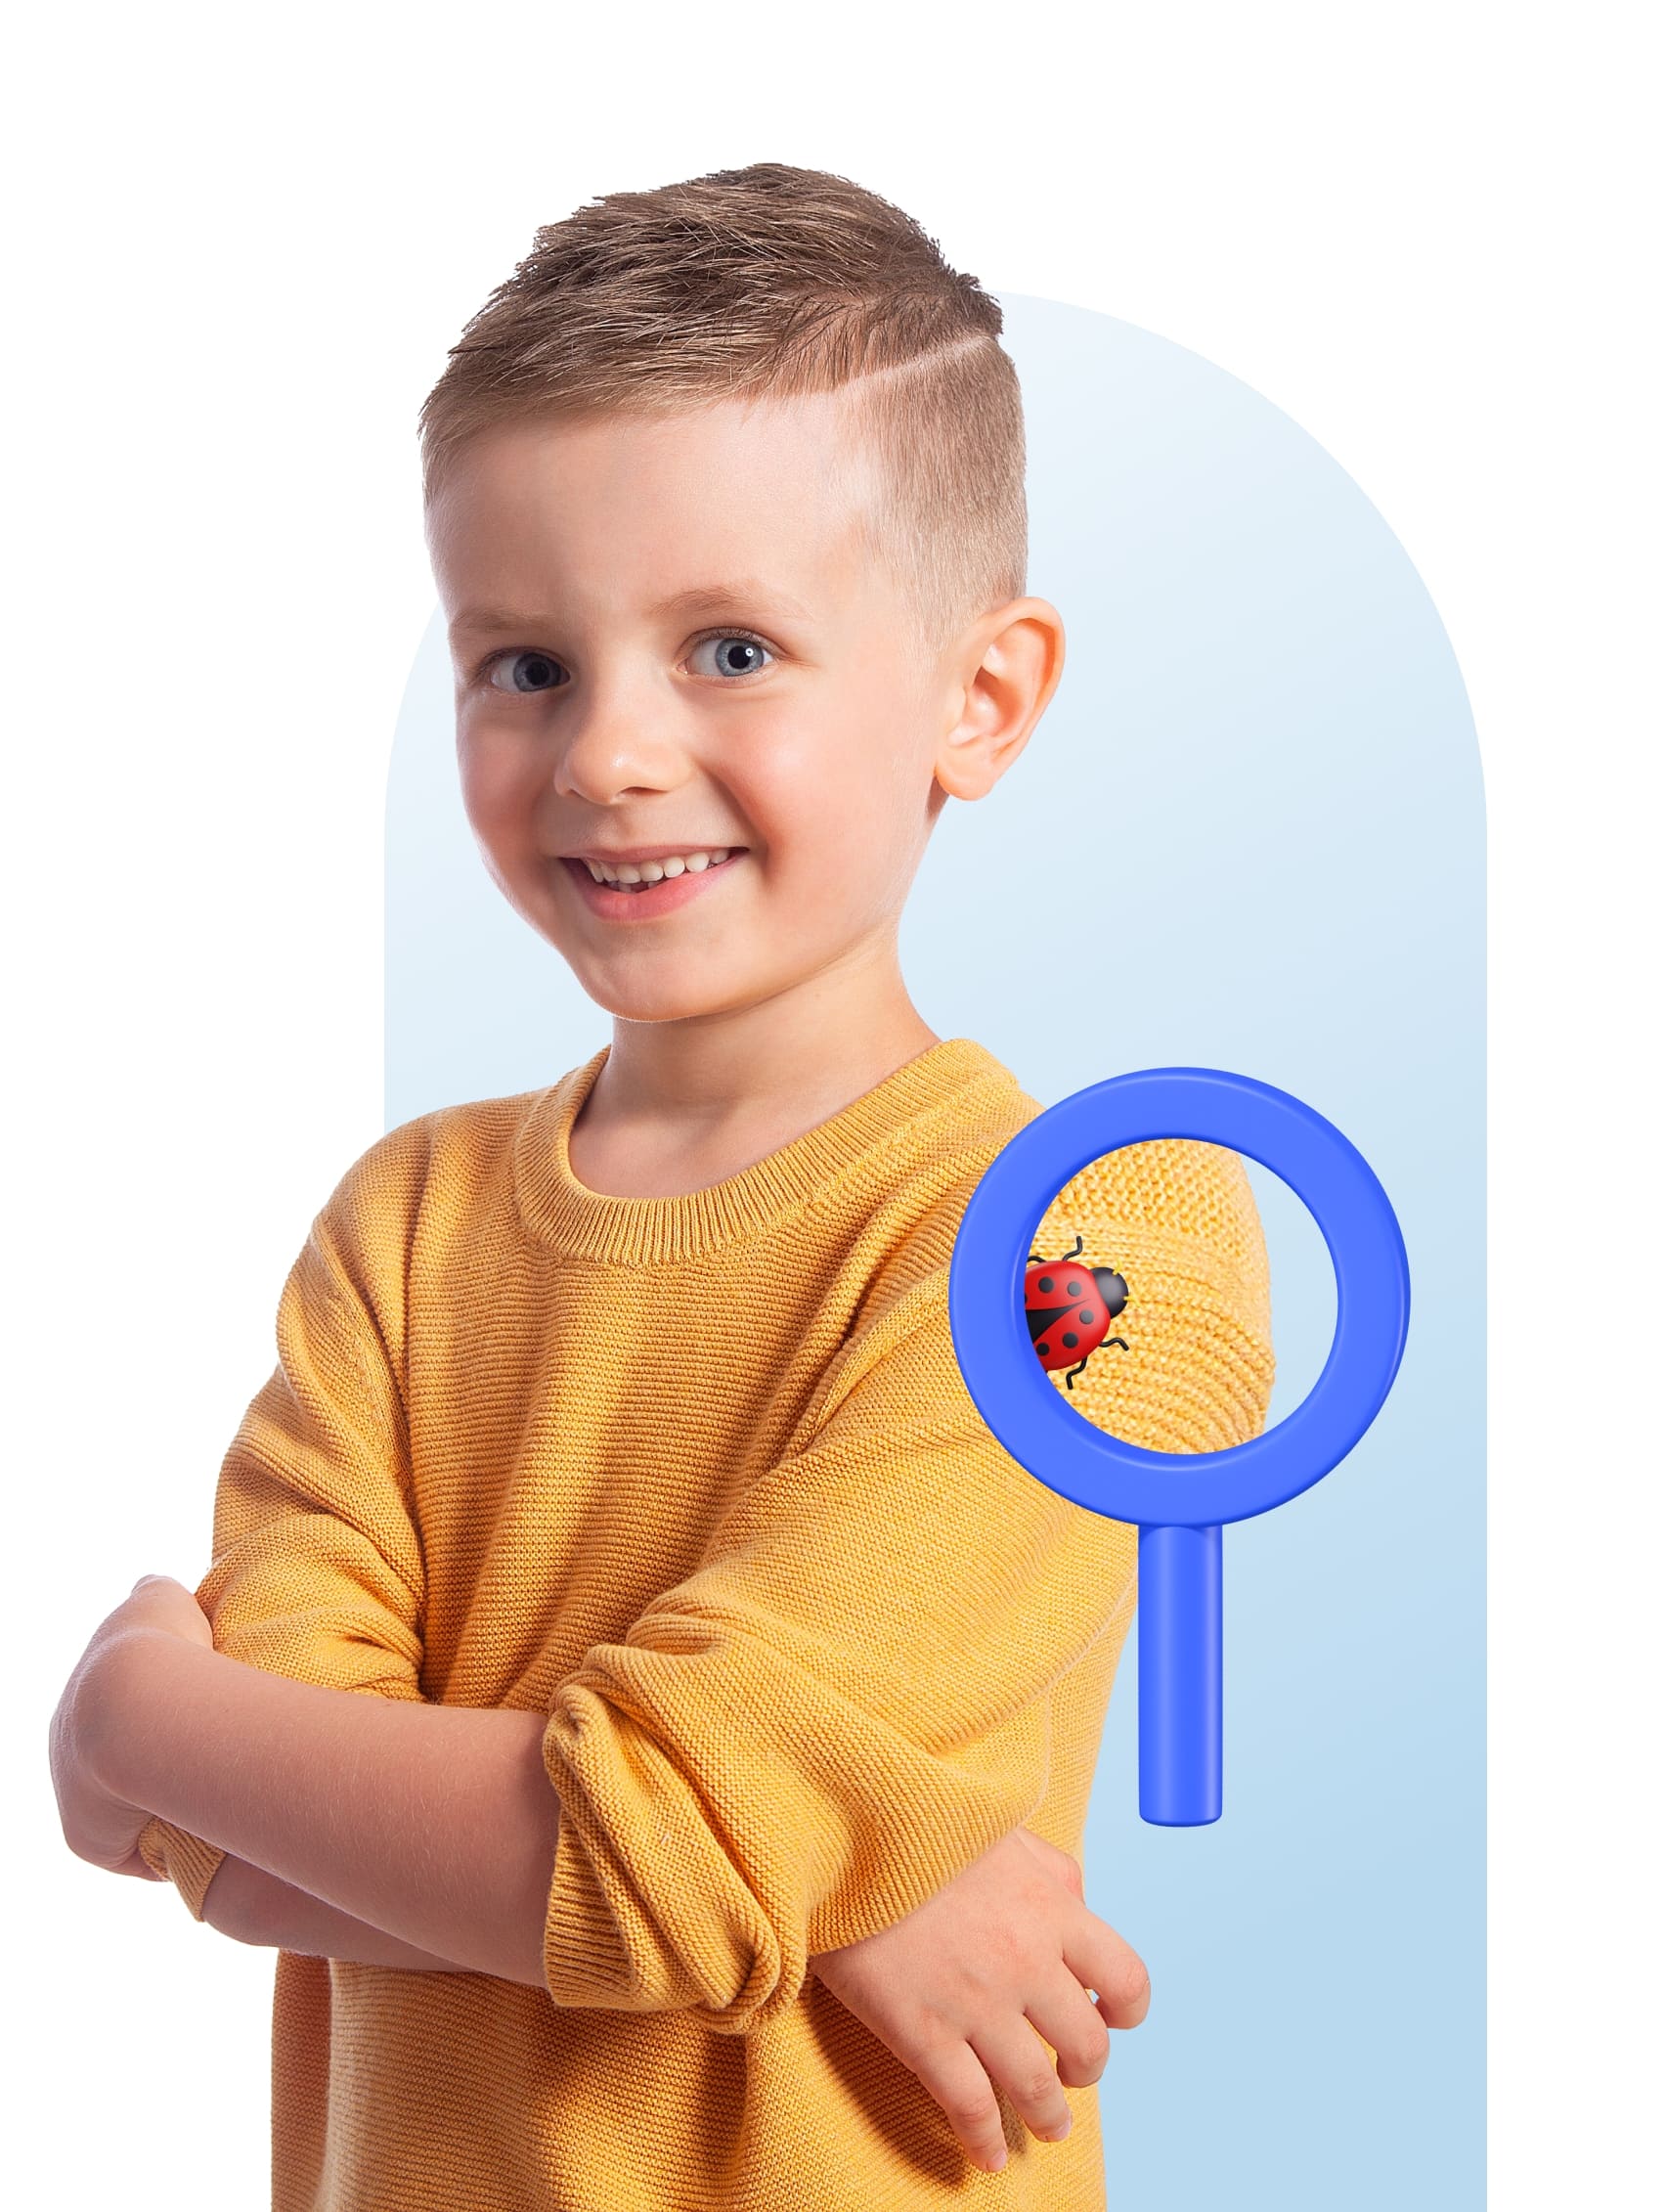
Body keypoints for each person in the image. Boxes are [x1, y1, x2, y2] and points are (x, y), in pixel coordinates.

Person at [50, 162, 1274, 2210]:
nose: (607, 752)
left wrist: (134, 1725)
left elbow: (609, 1841)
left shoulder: (1090, 1229)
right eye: (520, 664)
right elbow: (279, 1872)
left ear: (981, 700)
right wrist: (831, 1892)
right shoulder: (404, 1230)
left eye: (727, 647)